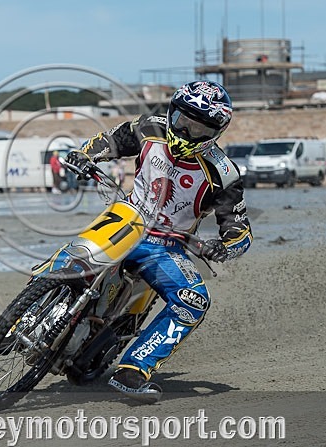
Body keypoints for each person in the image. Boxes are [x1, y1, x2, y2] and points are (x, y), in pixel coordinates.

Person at [63, 80, 252, 403]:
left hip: (165, 246)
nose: (188, 132)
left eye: (199, 128)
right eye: (183, 121)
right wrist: (84, 155)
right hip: (126, 217)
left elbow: (239, 228)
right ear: (172, 112)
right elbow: (111, 141)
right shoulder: (150, 127)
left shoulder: (225, 173)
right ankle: (28, 311)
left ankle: (133, 370)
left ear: (216, 132)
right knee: (77, 256)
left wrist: (225, 246)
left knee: (194, 300)